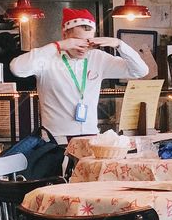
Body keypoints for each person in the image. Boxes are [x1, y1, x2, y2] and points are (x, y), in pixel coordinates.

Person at [10, 8, 148, 143]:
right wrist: (57, 46)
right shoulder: (47, 58)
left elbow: (140, 71)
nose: (83, 47)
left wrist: (119, 44)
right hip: (56, 140)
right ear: (65, 36)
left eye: (88, 41)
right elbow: (17, 68)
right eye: (77, 40)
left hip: (91, 137)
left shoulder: (98, 58)